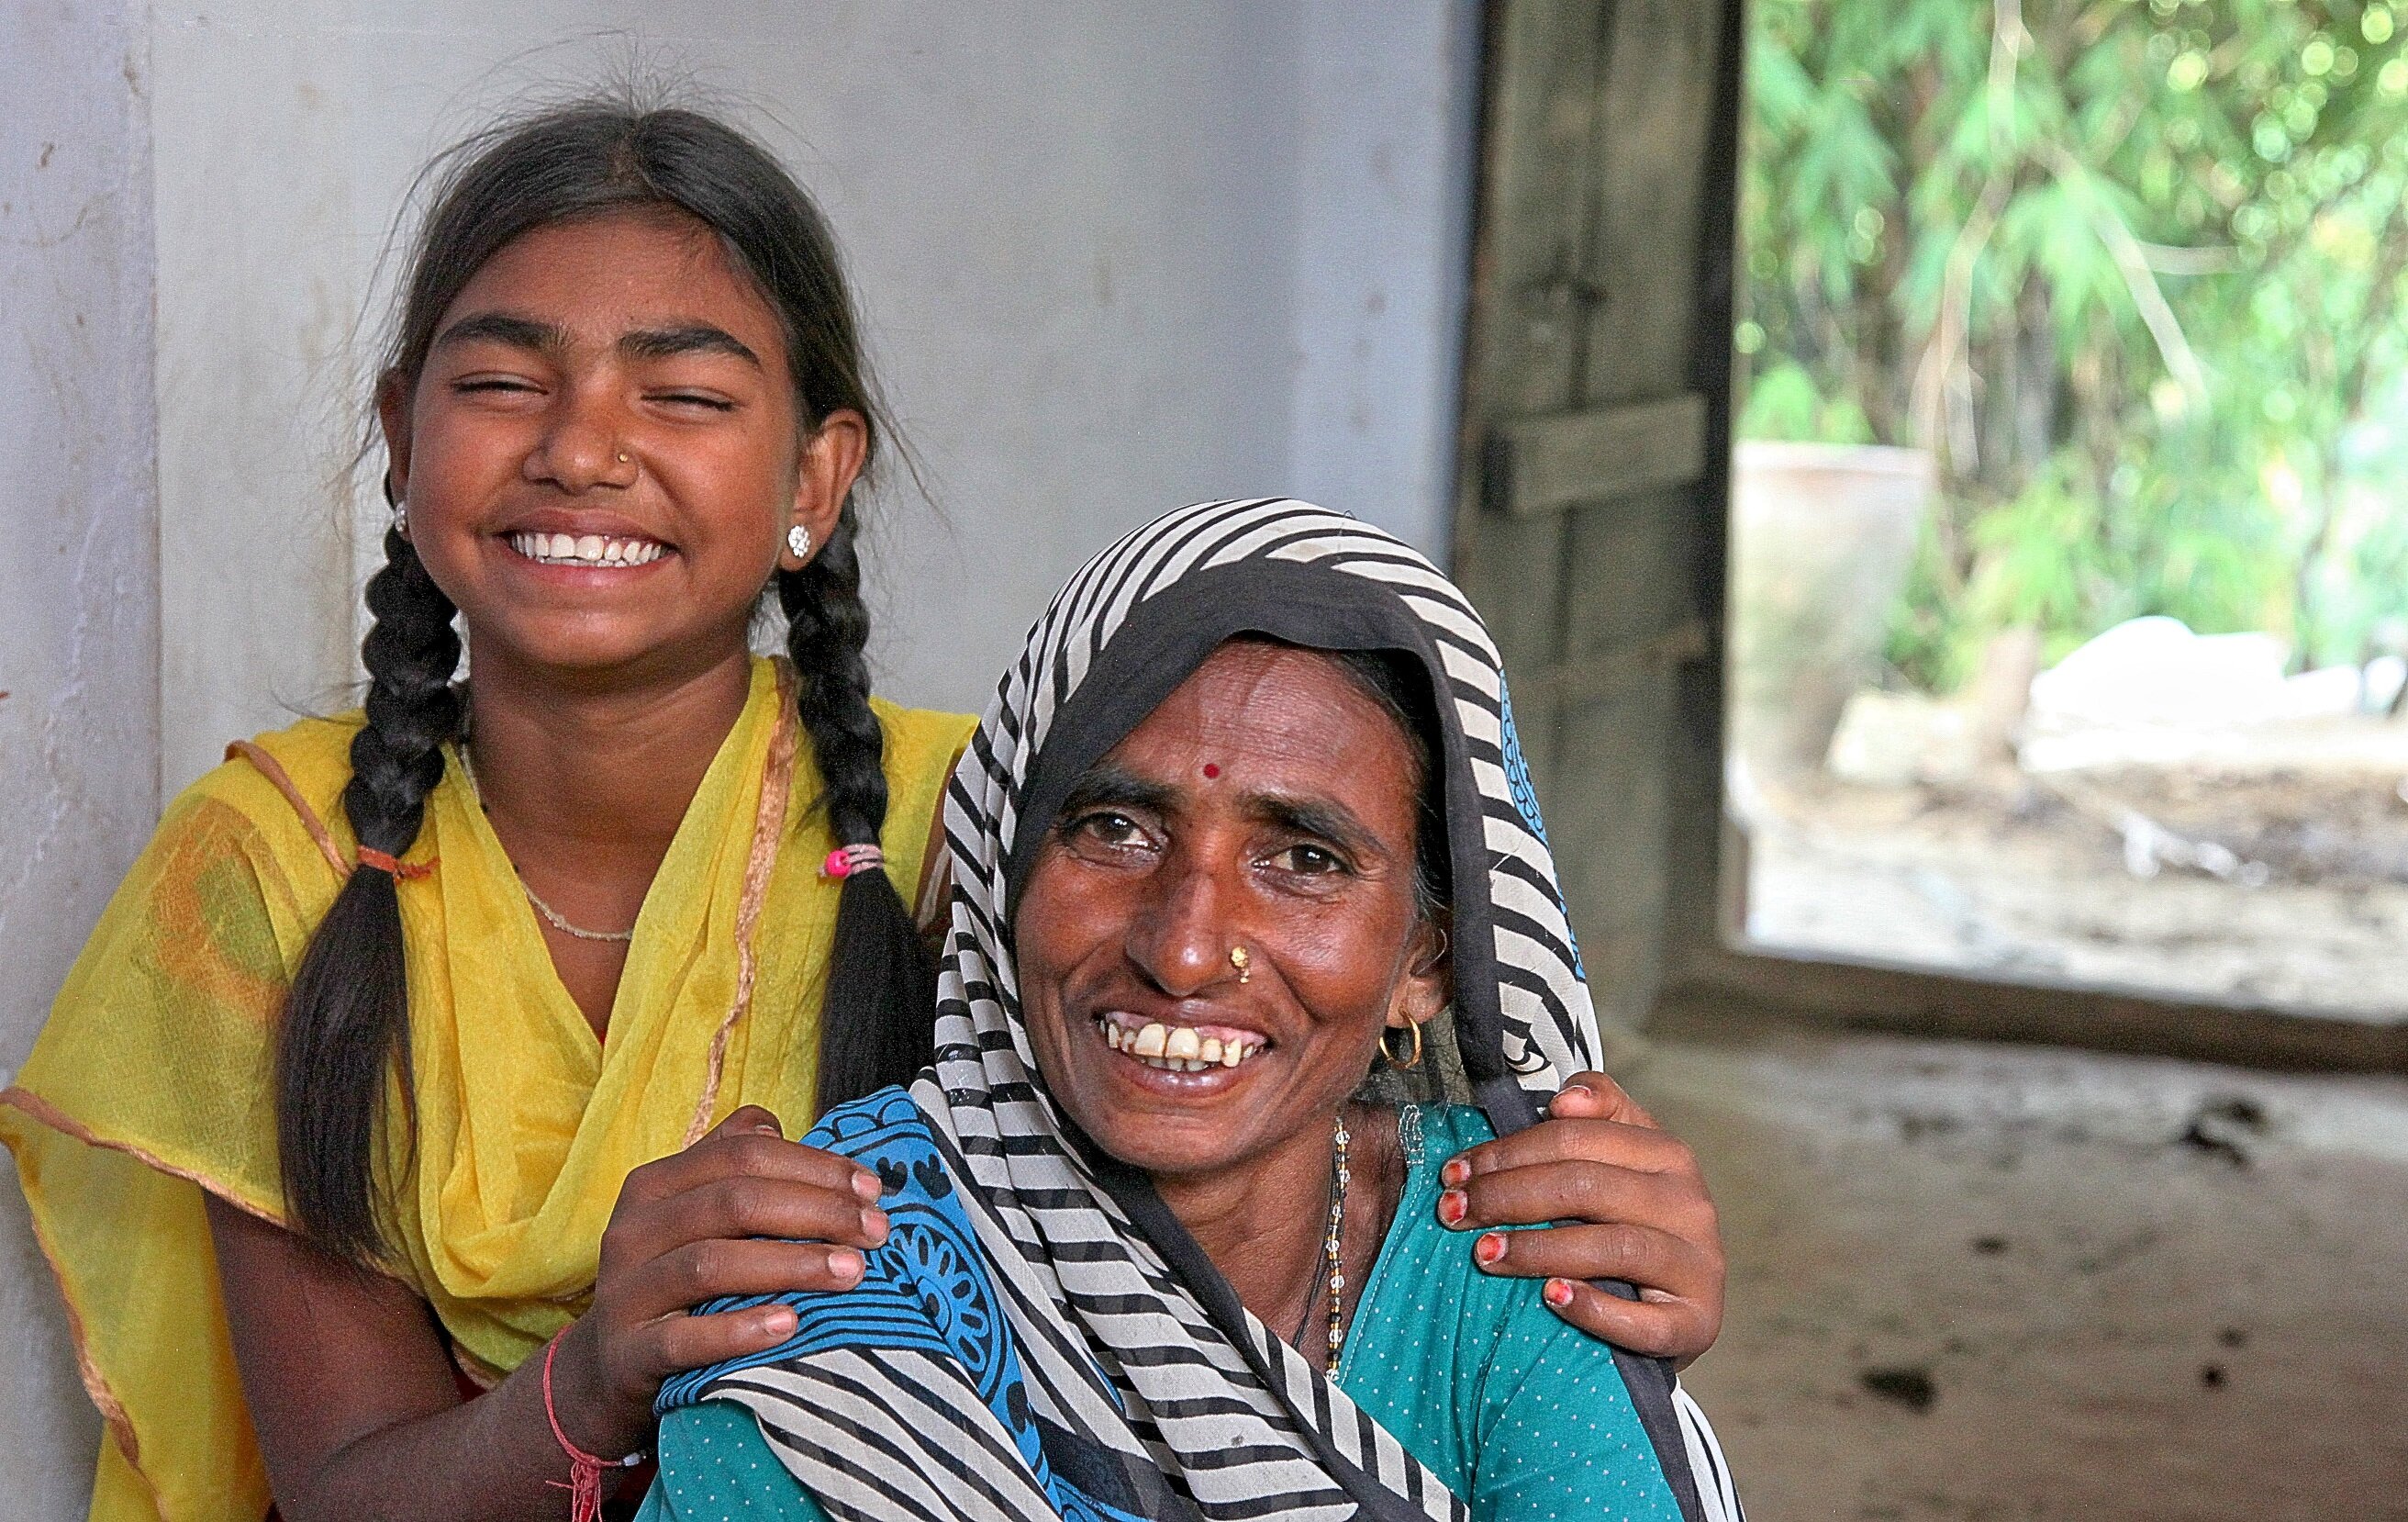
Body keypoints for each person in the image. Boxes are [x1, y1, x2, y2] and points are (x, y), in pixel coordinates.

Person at [0, 103, 1726, 1522]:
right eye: (504, 379)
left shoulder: (979, 824)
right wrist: (598, 1368)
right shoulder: (280, 868)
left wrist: (1605, 1240)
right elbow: (339, 1484)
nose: (583, 451)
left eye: (680, 394)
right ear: (400, 431)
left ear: (814, 478)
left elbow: (1281, 1106)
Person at [638, 499, 1745, 1522]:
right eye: (1114, 827)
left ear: (1425, 961)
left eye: (1303, 857)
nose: (1180, 946)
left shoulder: (1505, 1244)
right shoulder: (829, 1277)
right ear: (1002, 878)